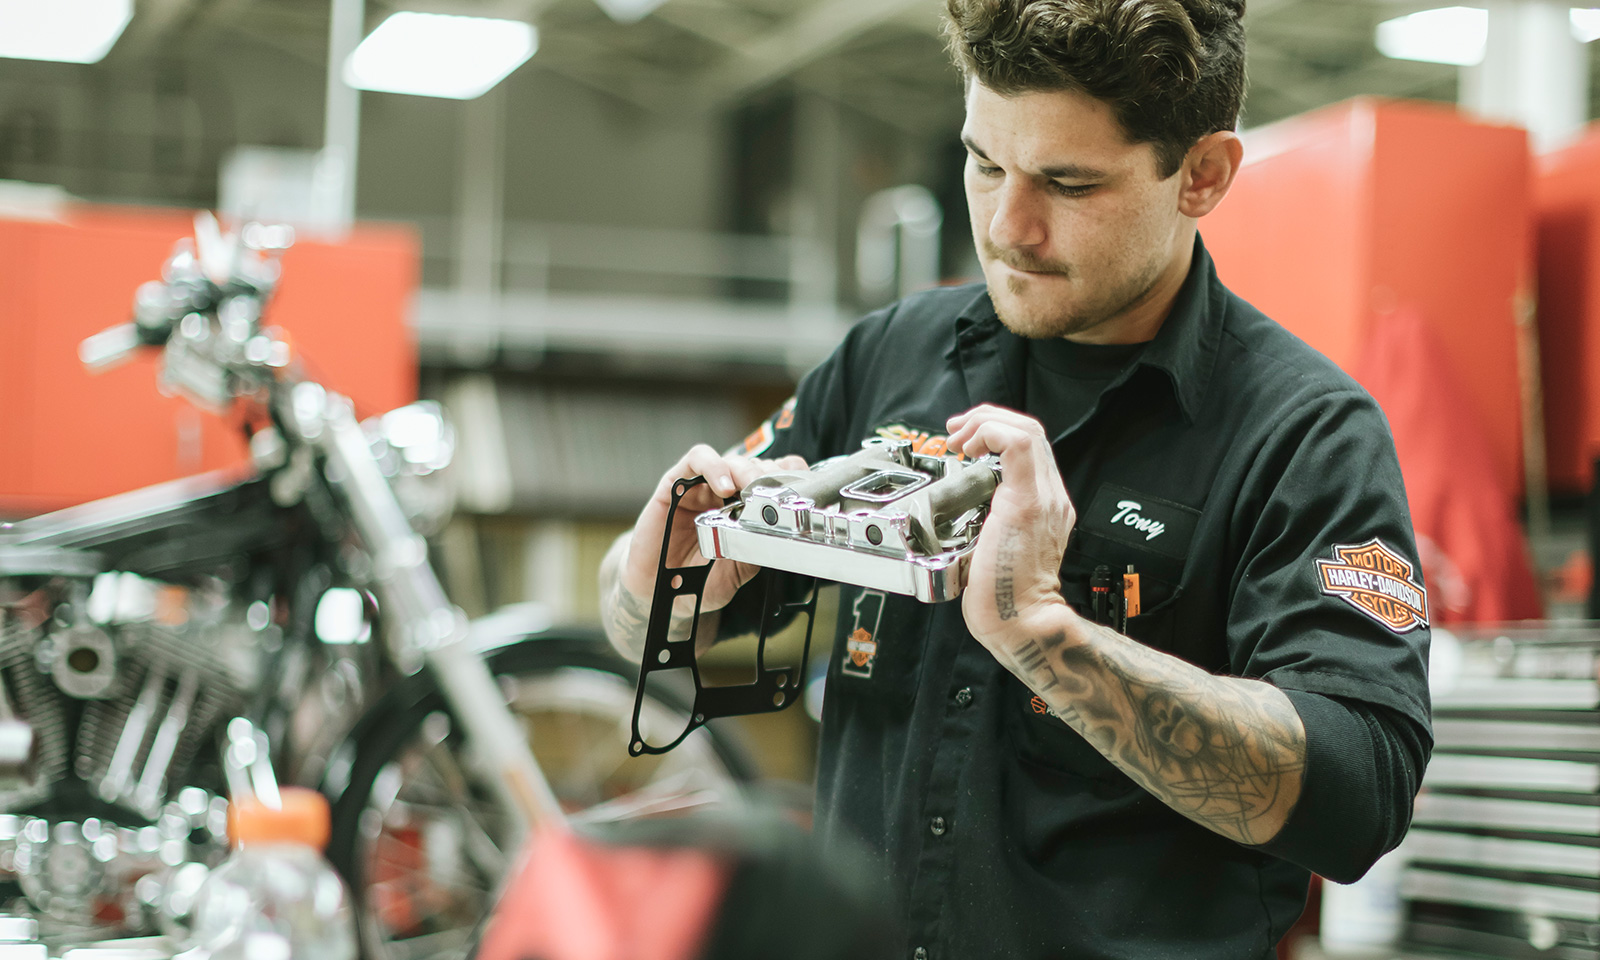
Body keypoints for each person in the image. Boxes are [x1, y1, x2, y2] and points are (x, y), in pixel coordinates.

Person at [598, 0, 1432, 956]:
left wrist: (1046, 636)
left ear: (1201, 175)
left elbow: (1359, 792)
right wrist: (657, 576)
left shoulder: (1303, 433)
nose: (1007, 225)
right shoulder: (886, 358)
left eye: (1068, 184)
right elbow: (637, 621)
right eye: (984, 162)